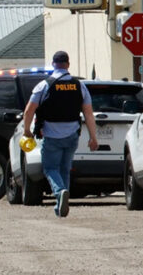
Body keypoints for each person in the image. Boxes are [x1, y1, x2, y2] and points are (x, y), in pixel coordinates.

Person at [22, 50, 98, 218]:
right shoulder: (80, 86)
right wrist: (93, 137)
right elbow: (88, 114)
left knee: (50, 168)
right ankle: (62, 204)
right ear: (68, 65)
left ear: (53, 64)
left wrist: (27, 131)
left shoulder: (44, 85)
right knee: (65, 169)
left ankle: (60, 192)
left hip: (52, 136)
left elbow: (29, 111)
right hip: (72, 136)